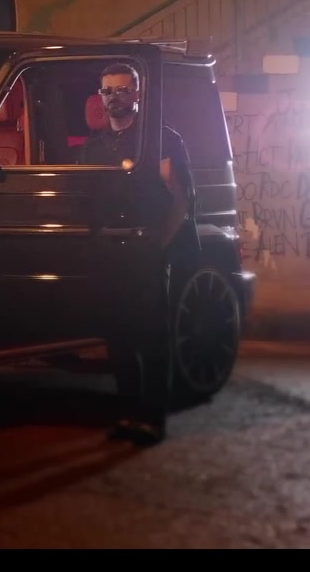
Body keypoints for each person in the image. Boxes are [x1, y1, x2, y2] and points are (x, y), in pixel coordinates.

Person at [78, 62, 199, 446]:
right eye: (107, 90)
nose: (114, 97)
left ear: (138, 94)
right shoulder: (93, 147)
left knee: (152, 337)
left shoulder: (160, 140)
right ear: (100, 97)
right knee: (118, 336)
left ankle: (152, 419)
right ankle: (129, 415)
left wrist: (158, 245)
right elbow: (85, 201)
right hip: (108, 250)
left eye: (122, 89)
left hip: (145, 248)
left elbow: (181, 200)